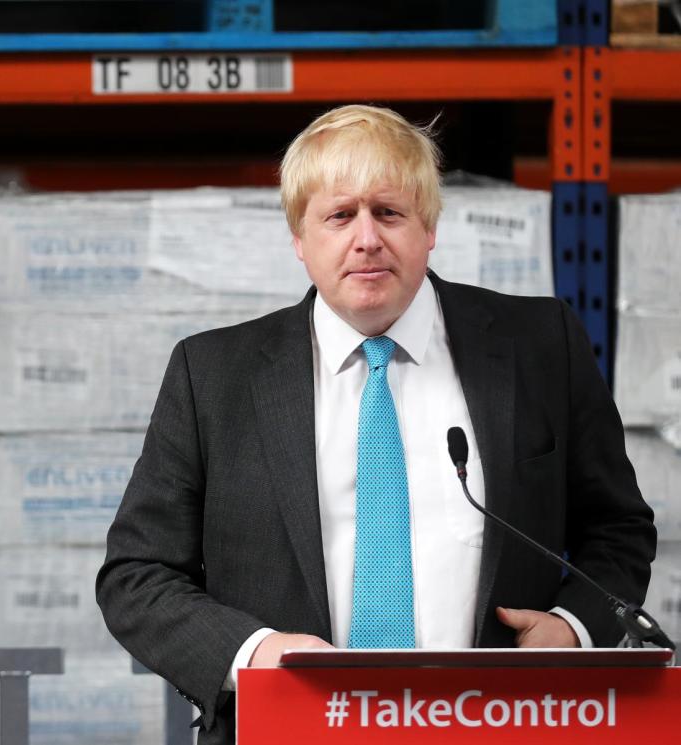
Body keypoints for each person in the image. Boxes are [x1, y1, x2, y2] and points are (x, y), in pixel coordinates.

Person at [95, 104, 656, 743]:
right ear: (300, 240)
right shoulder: (214, 374)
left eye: (389, 212)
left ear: (429, 227)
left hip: (497, 722)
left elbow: (618, 527)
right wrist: (255, 653)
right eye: (339, 215)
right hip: (287, 729)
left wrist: (573, 626)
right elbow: (136, 576)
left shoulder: (539, 345)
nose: (367, 238)